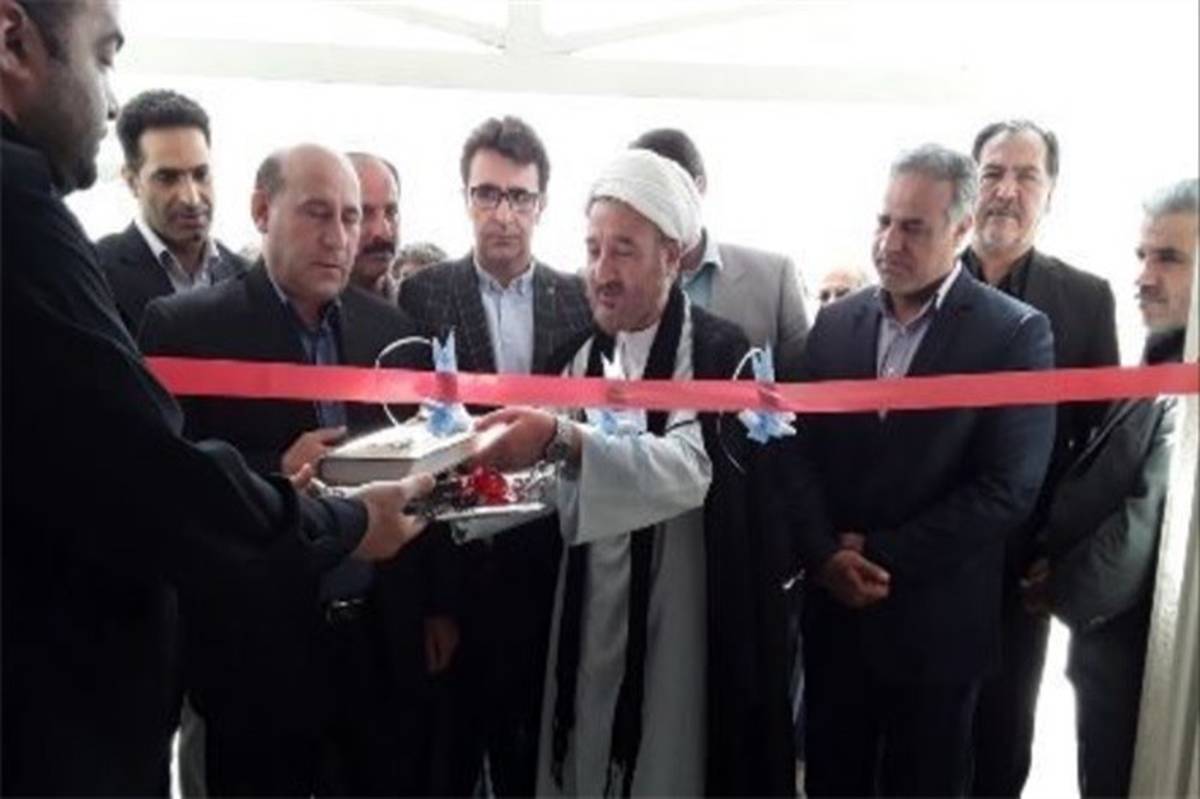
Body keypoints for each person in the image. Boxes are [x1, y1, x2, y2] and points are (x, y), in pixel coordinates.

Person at [0, 1, 432, 793]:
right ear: (11, 39)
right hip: (212, 672)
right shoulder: (65, 248)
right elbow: (155, 471)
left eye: (355, 217)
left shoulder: (392, 330)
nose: (112, 98)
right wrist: (330, 510)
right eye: (104, 56)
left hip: (366, 658)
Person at [475, 148, 796, 797]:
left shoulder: (717, 353)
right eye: (593, 249)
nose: (602, 271)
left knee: (667, 759)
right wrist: (463, 487)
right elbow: (543, 486)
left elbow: (692, 470)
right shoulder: (575, 356)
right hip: (583, 600)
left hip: (682, 607)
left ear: (671, 256)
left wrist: (565, 440)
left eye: (623, 250)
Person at [139, 144, 434, 796]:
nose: (339, 237)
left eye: (351, 217)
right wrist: (274, 468)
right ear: (261, 210)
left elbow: (421, 467)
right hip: (257, 652)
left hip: (375, 645)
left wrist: (433, 610)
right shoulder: (186, 328)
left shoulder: (390, 330)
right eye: (317, 213)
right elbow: (163, 483)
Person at [788, 143, 1056, 796]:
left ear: (961, 229)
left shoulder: (1013, 335)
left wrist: (879, 554)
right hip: (836, 624)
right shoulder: (835, 324)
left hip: (937, 633)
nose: (889, 243)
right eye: (884, 221)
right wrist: (824, 555)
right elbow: (797, 454)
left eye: (913, 227)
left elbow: (1008, 487)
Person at [397, 115, 593, 796]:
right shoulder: (423, 295)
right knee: (446, 760)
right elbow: (416, 450)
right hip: (457, 564)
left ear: (542, 204)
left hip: (548, 565)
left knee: (533, 762)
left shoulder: (578, 300)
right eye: (487, 194)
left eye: (518, 196)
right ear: (465, 198)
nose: (503, 214)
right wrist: (434, 599)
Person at [1024, 178, 1197, 797]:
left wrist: (1058, 587)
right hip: (1112, 664)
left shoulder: (1189, 393)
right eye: (1142, 255)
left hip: (1145, 672)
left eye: (1169, 258)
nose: (1144, 277)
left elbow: (1138, 529)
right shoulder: (1162, 366)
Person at [965, 119, 1121, 798]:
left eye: (1026, 175)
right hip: (921, 559)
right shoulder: (926, 277)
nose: (1006, 190)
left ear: (1051, 193)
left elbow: (1099, 443)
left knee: (1001, 738)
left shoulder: (1085, 298)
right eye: (993, 173)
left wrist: (1059, 552)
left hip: (1021, 568)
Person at [632, 127, 809, 377]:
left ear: (699, 187)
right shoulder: (598, 285)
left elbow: (803, 388)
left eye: (662, 194)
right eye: (637, 198)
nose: (651, 210)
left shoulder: (773, 281)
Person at [97, 88, 247, 333]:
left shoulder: (247, 278)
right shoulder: (96, 272)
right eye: (167, 178)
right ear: (132, 182)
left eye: (201, 174)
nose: (191, 198)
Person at [347, 150, 402, 299]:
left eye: (391, 212)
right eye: (363, 213)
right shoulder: (298, 308)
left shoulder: (420, 307)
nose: (383, 232)